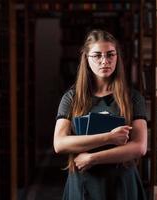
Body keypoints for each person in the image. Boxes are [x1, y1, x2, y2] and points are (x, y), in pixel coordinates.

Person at [53, 29, 148, 200]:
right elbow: (59, 143)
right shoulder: (71, 98)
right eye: (97, 56)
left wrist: (93, 158)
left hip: (121, 182)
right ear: (86, 59)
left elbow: (139, 147)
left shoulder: (133, 98)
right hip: (83, 182)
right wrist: (109, 138)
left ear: (117, 57)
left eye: (110, 55)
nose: (105, 61)